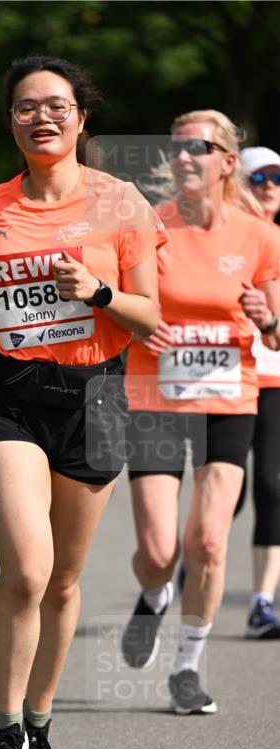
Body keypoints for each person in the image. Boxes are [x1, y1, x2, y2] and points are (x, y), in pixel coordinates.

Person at [0, 55, 165, 749]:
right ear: (11, 122)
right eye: (26, 107)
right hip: (7, 395)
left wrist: (97, 291)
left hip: (94, 397)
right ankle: (3, 729)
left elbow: (149, 315)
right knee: (28, 568)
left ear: (79, 118)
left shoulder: (120, 203)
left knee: (64, 580)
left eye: (56, 106)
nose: (42, 117)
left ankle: (40, 721)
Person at [122, 113, 280, 711]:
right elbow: (118, 307)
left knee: (209, 540)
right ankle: (154, 594)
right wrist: (142, 328)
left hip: (228, 394)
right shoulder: (146, 227)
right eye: (177, 147)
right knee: (161, 552)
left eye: (198, 147)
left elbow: (277, 333)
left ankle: (187, 667)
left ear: (225, 162)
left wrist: (264, 317)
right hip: (154, 395)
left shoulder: (261, 236)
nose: (184, 156)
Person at [239, 146, 280, 638]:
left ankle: (262, 601)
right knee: (226, 497)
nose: (269, 185)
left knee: (272, 486)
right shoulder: (220, 238)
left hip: (273, 377)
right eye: (258, 177)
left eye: (278, 177)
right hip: (222, 376)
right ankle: (195, 564)